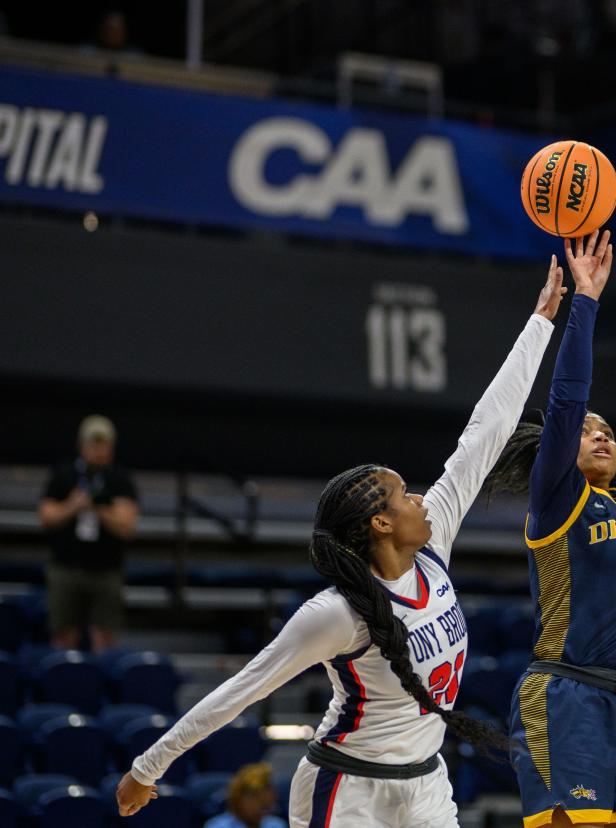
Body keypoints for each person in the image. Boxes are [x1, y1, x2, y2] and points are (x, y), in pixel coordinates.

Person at [115, 257, 568, 827]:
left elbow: (486, 430)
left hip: (426, 785)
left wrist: (540, 321)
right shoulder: (336, 615)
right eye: (404, 496)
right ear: (379, 524)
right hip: (346, 792)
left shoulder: (434, 541)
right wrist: (146, 768)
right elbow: (242, 689)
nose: (422, 499)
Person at [483, 229, 616, 828]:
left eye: (608, 429)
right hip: (562, 697)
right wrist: (586, 301)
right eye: (589, 430)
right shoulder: (556, 498)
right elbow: (566, 401)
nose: (602, 434)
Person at [38, 414, 139, 652]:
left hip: (106, 571)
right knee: (63, 635)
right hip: (66, 568)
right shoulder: (64, 474)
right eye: (93, 445)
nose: (98, 451)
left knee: (104, 638)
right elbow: (45, 516)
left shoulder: (119, 480)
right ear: (81, 445)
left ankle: (100, 685)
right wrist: (73, 505)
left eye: (103, 446)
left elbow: (127, 525)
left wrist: (99, 507)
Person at [204, 763, 287, 828]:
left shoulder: (277, 825)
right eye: (261, 806)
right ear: (240, 798)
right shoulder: (216, 826)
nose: (262, 812)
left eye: (267, 807)